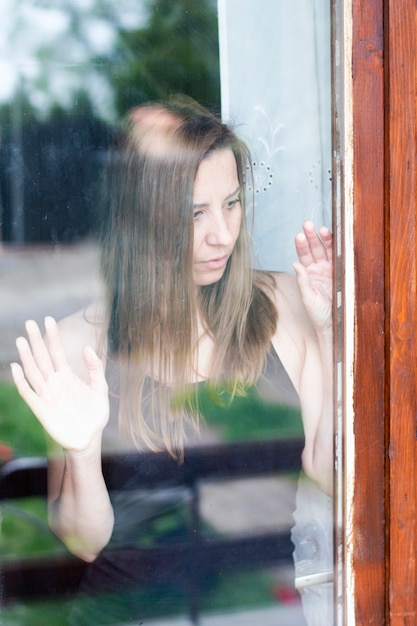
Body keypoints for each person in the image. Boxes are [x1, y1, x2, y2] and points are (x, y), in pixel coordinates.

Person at [10, 96, 332, 623]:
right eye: (195, 213)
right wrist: (85, 449)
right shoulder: (78, 343)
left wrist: (327, 333)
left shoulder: (287, 303)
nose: (222, 234)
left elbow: (328, 470)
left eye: (231, 202)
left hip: (252, 612)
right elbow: (83, 541)